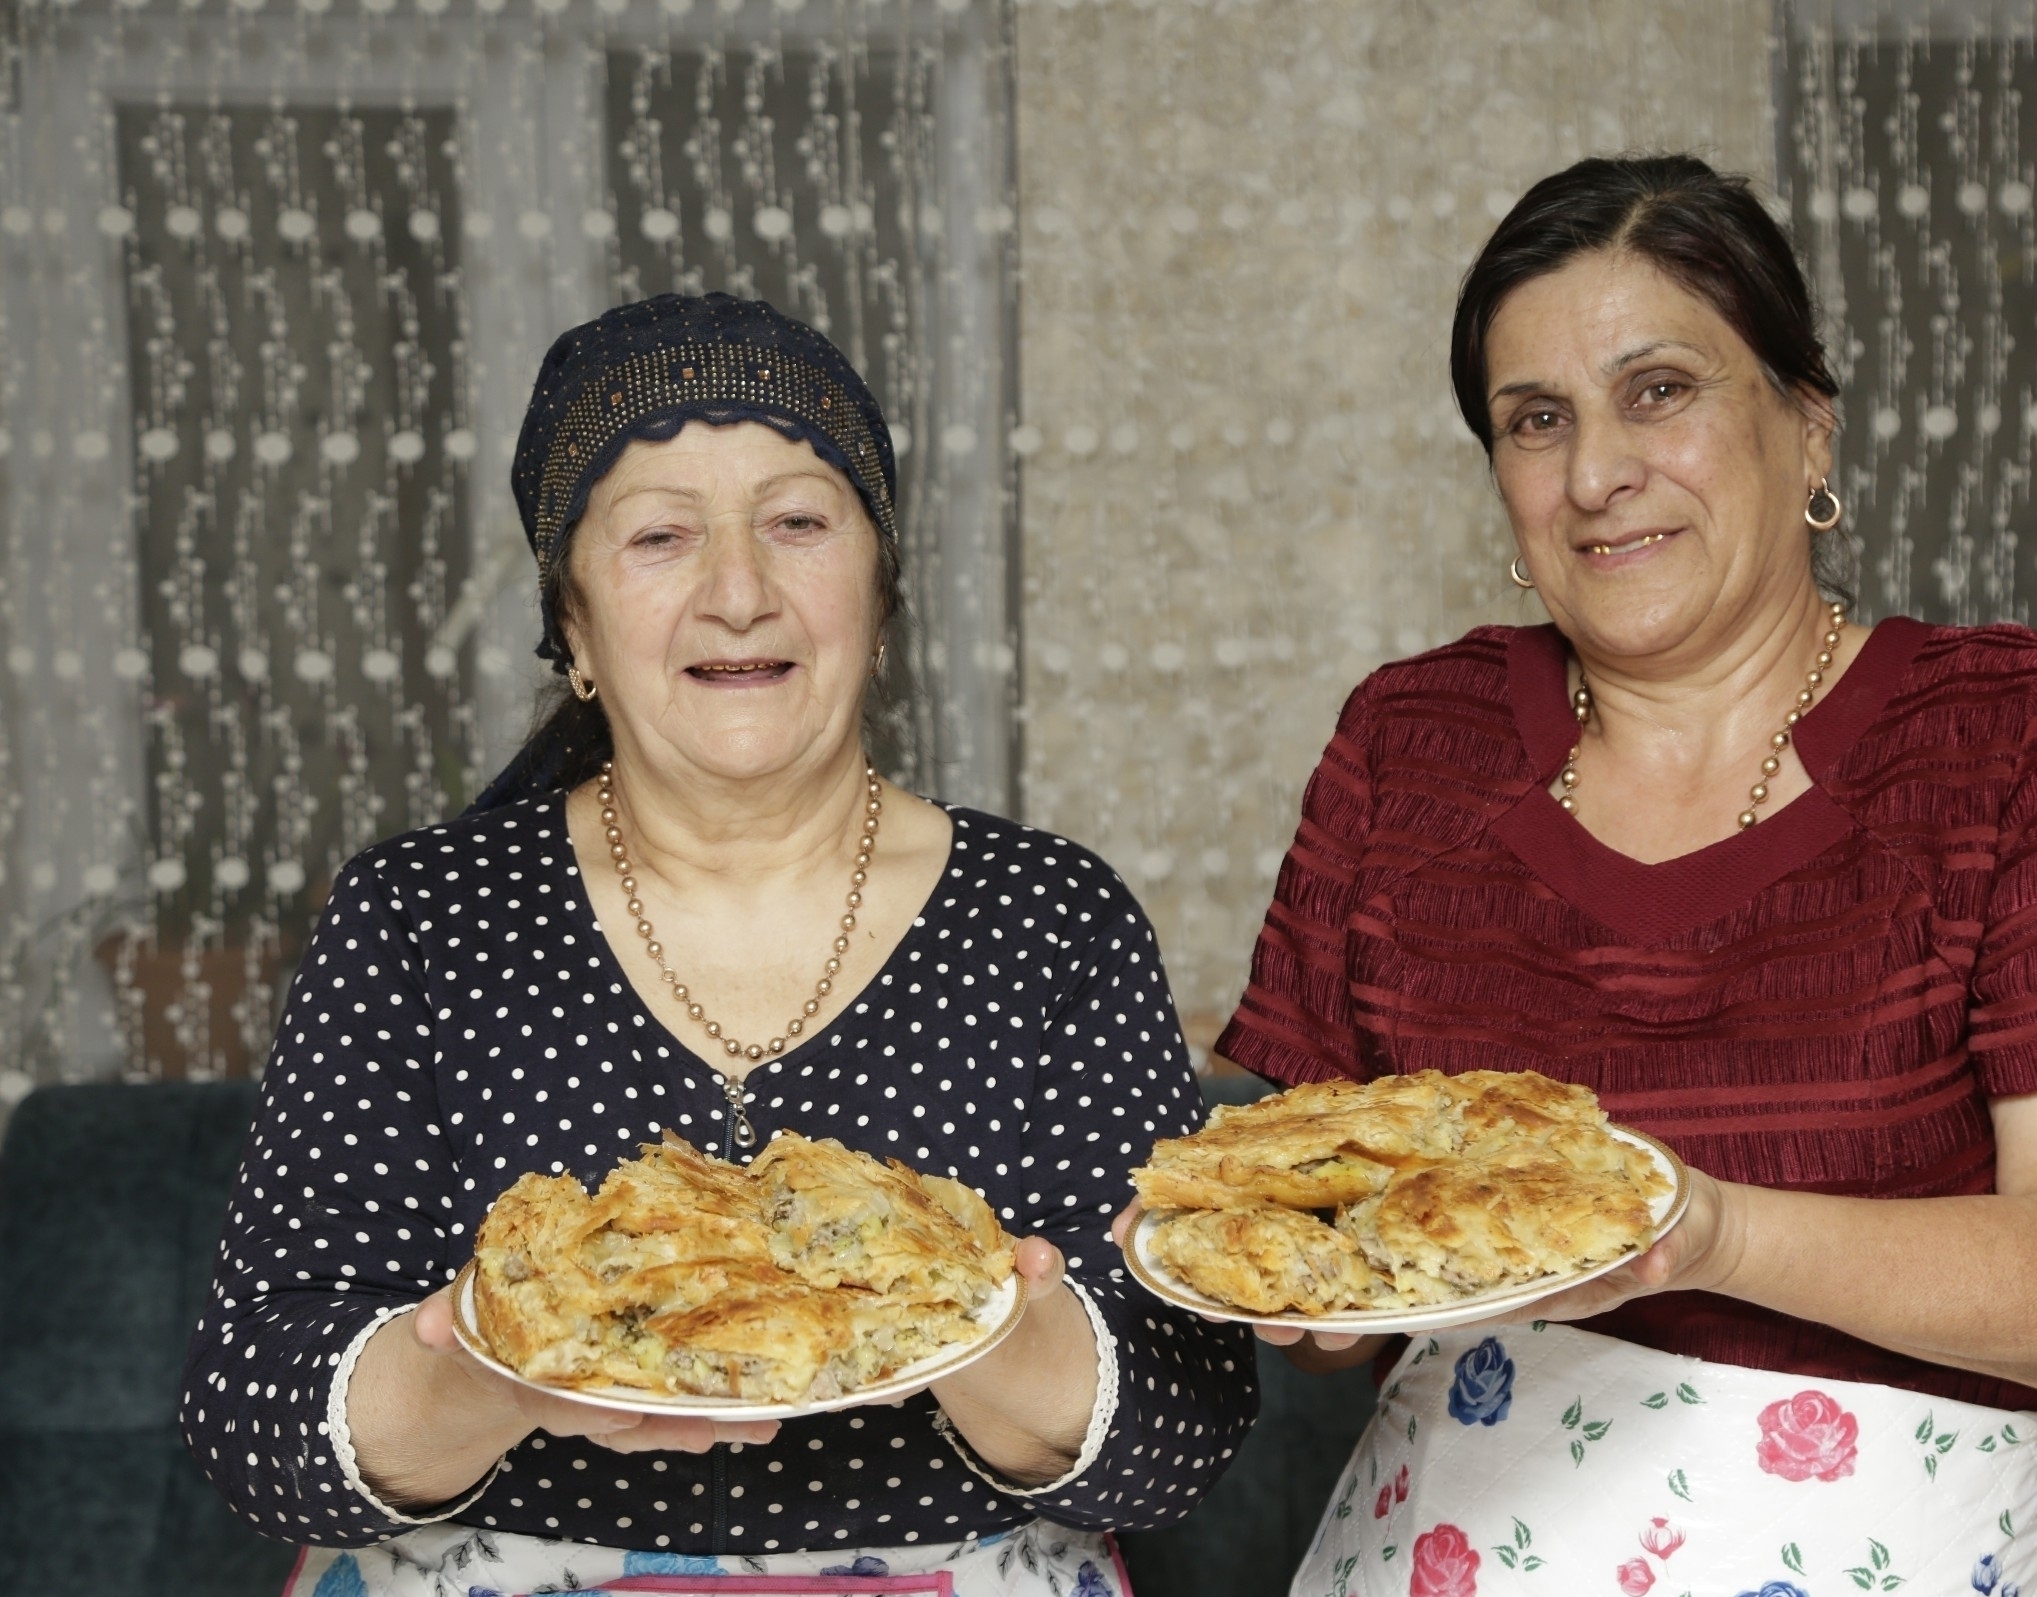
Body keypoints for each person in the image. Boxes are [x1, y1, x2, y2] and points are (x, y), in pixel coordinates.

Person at [1207, 157, 2037, 1597]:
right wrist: (1292, 1278)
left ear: (1805, 429)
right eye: (1534, 420)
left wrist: (1707, 1233)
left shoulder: (2012, 736)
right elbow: (1317, 1217)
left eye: (1658, 391)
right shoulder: (1410, 741)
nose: (1592, 473)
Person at [180, 293, 1255, 1596]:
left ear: (878, 589)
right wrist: (488, 1361)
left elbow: (1186, 1430)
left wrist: (965, 1320)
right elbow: (252, 1419)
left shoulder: (1049, 919)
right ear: (574, 627)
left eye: (798, 522)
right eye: (659, 535)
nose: (737, 591)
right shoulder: (421, 918)